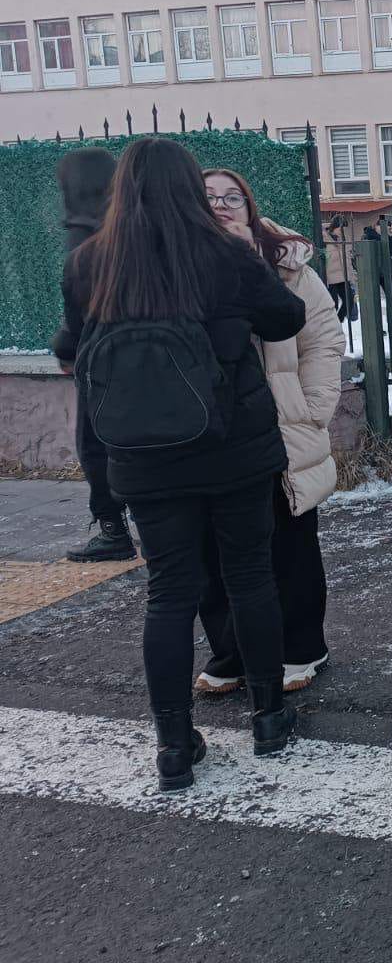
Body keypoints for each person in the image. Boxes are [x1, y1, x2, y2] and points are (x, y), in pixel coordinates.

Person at [56, 137, 307, 791]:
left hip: (143, 460)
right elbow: (285, 320)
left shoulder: (89, 264)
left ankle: (173, 745)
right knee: (250, 576)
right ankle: (270, 717)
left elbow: (69, 349)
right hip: (235, 448)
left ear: (122, 191)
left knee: (170, 595)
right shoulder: (223, 253)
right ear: (191, 189)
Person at [194, 169, 344, 696]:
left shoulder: (285, 263)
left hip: (280, 422)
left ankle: (303, 646)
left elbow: (322, 336)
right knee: (212, 546)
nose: (221, 206)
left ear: (250, 206)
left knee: (289, 539)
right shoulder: (181, 261)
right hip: (212, 427)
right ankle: (232, 650)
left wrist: (315, 404)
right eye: (209, 197)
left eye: (232, 196)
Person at [50, 146, 135, 564]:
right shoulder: (134, 226)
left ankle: (112, 528)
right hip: (151, 358)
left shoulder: (82, 238)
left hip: (101, 365)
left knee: (96, 446)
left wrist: (64, 348)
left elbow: (79, 317)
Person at [362, 223, 392, 329]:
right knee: (374, 300)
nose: (384, 228)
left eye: (387, 226)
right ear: (375, 226)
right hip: (373, 273)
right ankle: (375, 327)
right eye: (382, 226)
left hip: (386, 272)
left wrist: (391, 236)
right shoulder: (369, 236)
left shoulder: (385, 237)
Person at [323, 215, 358, 324]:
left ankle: (338, 322)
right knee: (333, 304)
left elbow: (347, 259)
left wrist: (352, 277)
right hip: (330, 278)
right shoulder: (324, 237)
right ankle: (332, 325)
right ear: (335, 226)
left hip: (343, 277)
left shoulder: (342, 238)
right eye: (340, 228)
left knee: (349, 301)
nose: (342, 231)